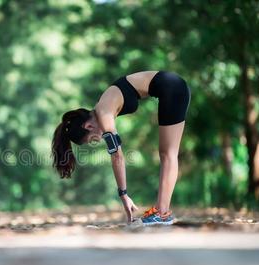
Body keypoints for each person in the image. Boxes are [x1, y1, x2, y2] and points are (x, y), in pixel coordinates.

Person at [51, 71, 190, 226]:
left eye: (92, 139)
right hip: (172, 87)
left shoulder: (103, 113)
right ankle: (161, 212)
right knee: (168, 153)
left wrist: (123, 195)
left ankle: (162, 213)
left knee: (168, 153)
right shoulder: (102, 108)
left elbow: (117, 156)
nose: (97, 140)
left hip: (172, 88)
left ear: (88, 126)